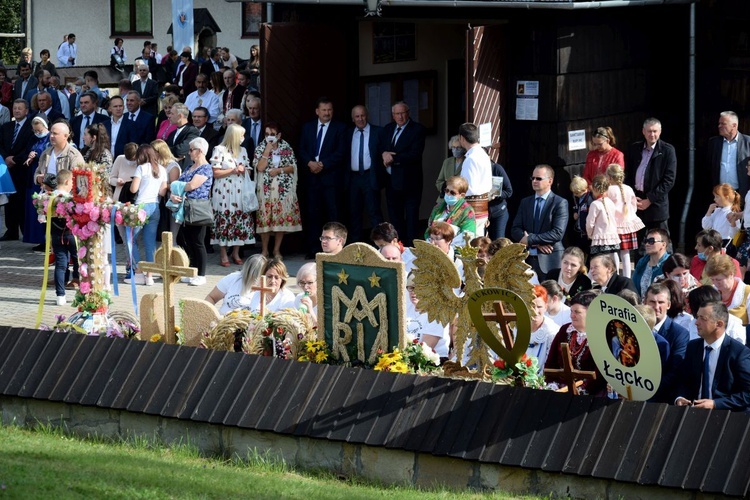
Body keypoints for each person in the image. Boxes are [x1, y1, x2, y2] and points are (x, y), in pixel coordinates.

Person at [674, 301, 750, 412]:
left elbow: (747, 393)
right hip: (693, 414)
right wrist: (680, 397)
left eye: (702, 319)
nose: (696, 322)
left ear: (719, 324)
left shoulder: (739, 353)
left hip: (726, 417)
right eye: (697, 317)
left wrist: (715, 404)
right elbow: (683, 380)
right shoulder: (693, 347)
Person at [298, 97, 347, 257]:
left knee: (333, 214)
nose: (327, 113)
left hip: (331, 178)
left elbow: (341, 152)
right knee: (313, 214)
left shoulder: (340, 128)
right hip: (312, 179)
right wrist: (310, 163)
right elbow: (302, 149)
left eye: (329, 110)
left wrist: (323, 164)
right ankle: (313, 249)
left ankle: (336, 250)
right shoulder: (308, 127)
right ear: (317, 111)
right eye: (324, 110)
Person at [378, 101, 426, 246]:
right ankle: (397, 246)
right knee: (395, 216)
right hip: (391, 181)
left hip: (410, 181)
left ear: (408, 113)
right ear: (393, 115)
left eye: (403, 113)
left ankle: (411, 248)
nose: (400, 116)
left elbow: (414, 154)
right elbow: (380, 147)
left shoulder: (417, 129)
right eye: (397, 114)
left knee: (411, 217)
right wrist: (384, 153)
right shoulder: (388, 129)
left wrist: (393, 158)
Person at [252, 122, 302, 259]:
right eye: (267, 134)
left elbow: (293, 167)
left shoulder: (286, 148)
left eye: (272, 135)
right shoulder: (260, 148)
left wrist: (279, 170)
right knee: (265, 220)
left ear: (278, 135)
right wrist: (267, 150)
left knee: (280, 220)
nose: (270, 137)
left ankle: (276, 250)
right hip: (265, 190)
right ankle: (264, 250)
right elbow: (260, 168)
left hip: (282, 191)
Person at [510, 164, 569, 281]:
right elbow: (515, 229)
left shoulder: (560, 203)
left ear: (550, 181)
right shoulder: (525, 202)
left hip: (550, 259)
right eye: (533, 178)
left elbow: (557, 233)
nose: (534, 181)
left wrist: (530, 239)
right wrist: (536, 243)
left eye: (539, 178)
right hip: (527, 260)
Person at [544, 290, 606, 396]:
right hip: (561, 391)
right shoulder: (565, 330)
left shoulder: (601, 336)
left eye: (577, 312)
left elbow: (601, 373)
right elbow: (551, 362)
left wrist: (581, 391)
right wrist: (553, 384)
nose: (572, 315)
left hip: (591, 395)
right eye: (571, 311)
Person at [624, 117, 677, 240]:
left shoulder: (667, 150)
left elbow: (669, 180)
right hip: (636, 201)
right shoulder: (634, 148)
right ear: (643, 131)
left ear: (660, 132)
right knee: (640, 244)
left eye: (655, 131)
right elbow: (627, 174)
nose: (652, 134)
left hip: (656, 204)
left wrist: (650, 199)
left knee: (661, 241)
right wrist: (631, 196)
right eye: (649, 131)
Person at [209, 123, 254, 265]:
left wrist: (244, 170)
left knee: (240, 219)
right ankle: (223, 254)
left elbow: (249, 170)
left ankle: (236, 252)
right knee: (224, 220)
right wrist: (233, 170)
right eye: (241, 135)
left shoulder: (244, 150)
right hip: (223, 191)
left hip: (240, 190)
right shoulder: (219, 150)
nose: (243, 138)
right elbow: (215, 172)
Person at [173, 137, 214, 286]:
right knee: (187, 241)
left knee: (198, 242)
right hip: (185, 208)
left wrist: (176, 186)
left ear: (200, 151)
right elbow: (179, 184)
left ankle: (202, 274)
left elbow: (191, 185)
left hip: (198, 209)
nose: (189, 152)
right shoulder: (189, 167)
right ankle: (192, 271)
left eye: (191, 150)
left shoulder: (205, 168)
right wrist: (174, 193)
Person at [125, 145, 167, 286]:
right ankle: (150, 276)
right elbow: (162, 192)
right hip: (155, 206)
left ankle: (138, 272)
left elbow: (133, 189)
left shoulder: (141, 168)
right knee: (150, 242)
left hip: (141, 206)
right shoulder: (162, 169)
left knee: (132, 239)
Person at [644, 282, 690, 403]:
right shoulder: (635, 329)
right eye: (652, 302)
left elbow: (675, 372)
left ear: (669, 305)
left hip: (662, 399)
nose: (656, 307)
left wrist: (645, 389)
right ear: (645, 303)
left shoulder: (679, 334)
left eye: (661, 302)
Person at [0, 99, 35, 241]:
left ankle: (24, 230)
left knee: (22, 201)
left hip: (22, 168)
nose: (17, 110)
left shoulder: (31, 126)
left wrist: (15, 159)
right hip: (7, 169)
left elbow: (29, 147)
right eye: (15, 108)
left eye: (20, 108)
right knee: (9, 201)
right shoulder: (6, 126)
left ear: (26, 110)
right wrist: (6, 157)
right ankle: (11, 230)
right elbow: (0, 144)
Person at [347, 104, 382, 243]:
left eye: (363, 115)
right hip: (353, 178)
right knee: (354, 212)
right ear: (353, 119)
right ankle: (356, 244)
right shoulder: (348, 133)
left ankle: (379, 245)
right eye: (357, 116)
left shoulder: (377, 132)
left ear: (367, 116)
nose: (360, 119)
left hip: (370, 176)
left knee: (374, 211)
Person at [46, 170, 79, 305]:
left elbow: (42, 217)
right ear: (66, 181)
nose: (72, 184)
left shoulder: (48, 198)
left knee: (60, 264)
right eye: (72, 181)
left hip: (55, 234)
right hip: (71, 234)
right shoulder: (70, 199)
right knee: (78, 260)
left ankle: (60, 296)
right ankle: (81, 289)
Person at [606, 163, 644, 278]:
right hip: (628, 223)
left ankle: (616, 275)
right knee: (626, 253)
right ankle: (627, 277)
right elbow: (634, 205)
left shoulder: (609, 190)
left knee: (614, 252)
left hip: (614, 225)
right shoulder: (628, 188)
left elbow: (607, 207)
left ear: (610, 177)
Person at [405, 272, 451, 362]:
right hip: (406, 360)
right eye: (411, 288)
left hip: (431, 364)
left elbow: (426, 348)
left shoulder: (438, 313)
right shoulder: (406, 309)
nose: (414, 292)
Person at [457, 123, 492, 236]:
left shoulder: (471, 158)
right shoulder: (482, 154)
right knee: (478, 242)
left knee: (470, 245)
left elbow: (469, 188)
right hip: (483, 206)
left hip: (473, 208)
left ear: (462, 138)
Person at [516, 285, 560, 373]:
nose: (535, 311)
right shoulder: (516, 328)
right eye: (531, 306)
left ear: (546, 307)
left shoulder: (553, 332)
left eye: (539, 307)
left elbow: (551, 364)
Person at [22, 115, 51, 249]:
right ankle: (37, 239)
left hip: (44, 175)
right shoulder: (32, 138)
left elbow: (48, 153)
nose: (37, 133)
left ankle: (46, 240)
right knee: (34, 208)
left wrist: (37, 154)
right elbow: (27, 149)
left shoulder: (50, 138)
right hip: (32, 176)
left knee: (43, 207)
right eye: (35, 131)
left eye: (39, 130)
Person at [425, 175, 476, 248]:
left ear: (462, 195)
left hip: (455, 252)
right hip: (433, 247)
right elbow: (429, 229)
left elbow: (467, 236)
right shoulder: (438, 208)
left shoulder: (467, 211)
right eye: (447, 190)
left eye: (452, 193)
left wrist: (446, 247)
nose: (448, 194)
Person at [709, 111, 750, 198]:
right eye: (719, 123)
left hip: (741, 193)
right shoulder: (714, 143)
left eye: (723, 124)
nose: (719, 126)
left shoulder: (748, 142)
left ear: (734, 125)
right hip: (720, 195)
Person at [704, 254, 750, 328]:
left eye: (719, 280)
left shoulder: (747, 292)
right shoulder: (711, 291)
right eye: (712, 279)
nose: (715, 283)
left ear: (731, 274)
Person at [152, 139, 182, 239]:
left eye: (153, 152)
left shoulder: (172, 166)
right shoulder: (157, 164)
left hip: (171, 201)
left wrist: (161, 184)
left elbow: (175, 185)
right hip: (160, 200)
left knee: (172, 234)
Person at [586, 174, 621, 260]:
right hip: (612, 235)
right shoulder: (610, 202)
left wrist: (590, 234)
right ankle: (614, 271)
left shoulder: (595, 204)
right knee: (613, 255)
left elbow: (590, 223)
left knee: (599, 259)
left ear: (595, 189)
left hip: (600, 237)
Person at [632, 228, 671, 297]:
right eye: (646, 241)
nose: (647, 244)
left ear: (663, 245)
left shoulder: (670, 263)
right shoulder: (642, 262)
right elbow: (633, 287)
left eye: (651, 241)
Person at [166, 103, 200, 170]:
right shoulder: (172, 133)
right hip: (171, 169)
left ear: (180, 116)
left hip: (184, 169)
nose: (169, 116)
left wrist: (166, 150)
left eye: (172, 114)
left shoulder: (192, 131)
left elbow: (181, 150)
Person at [568, 175, 594, 257]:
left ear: (584, 189)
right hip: (580, 231)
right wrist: (575, 212)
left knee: (589, 254)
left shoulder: (589, 199)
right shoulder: (578, 198)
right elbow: (576, 206)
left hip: (587, 233)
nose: (576, 195)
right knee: (579, 253)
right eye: (574, 193)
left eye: (577, 193)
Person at [487, 159, 513, 240]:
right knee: (481, 243)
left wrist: (496, 195)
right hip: (482, 212)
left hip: (498, 212)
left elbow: (509, 191)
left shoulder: (496, 168)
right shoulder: (474, 169)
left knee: (499, 242)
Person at [104, 95, 136, 159]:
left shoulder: (131, 124)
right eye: (115, 106)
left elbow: (133, 145)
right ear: (110, 108)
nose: (118, 108)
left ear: (123, 107)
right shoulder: (104, 125)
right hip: (106, 160)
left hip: (124, 160)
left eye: (120, 106)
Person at [434, 135, 465, 199]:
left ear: (463, 148)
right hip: (444, 199)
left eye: (458, 147)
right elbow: (439, 182)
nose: (455, 150)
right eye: (453, 147)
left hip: (459, 198)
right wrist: (447, 189)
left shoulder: (467, 161)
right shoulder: (447, 162)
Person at [294, 262, 318, 327]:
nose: (305, 287)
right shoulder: (299, 298)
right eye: (302, 283)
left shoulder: (325, 303)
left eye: (309, 283)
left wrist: (310, 310)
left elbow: (322, 331)